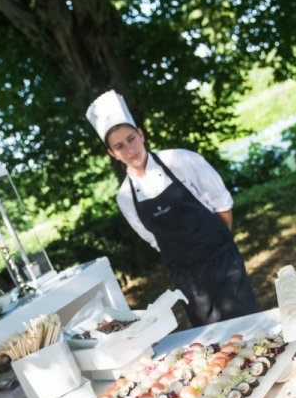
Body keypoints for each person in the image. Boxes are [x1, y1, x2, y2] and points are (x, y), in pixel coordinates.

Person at [86, 90, 259, 327]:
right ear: (112, 154)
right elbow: (152, 239)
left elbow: (222, 204)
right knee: (215, 345)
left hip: (224, 264)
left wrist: (220, 244)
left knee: (250, 327)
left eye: (131, 139)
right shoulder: (125, 197)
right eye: (119, 146)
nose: (130, 149)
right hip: (189, 281)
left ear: (141, 134)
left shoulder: (181, 160)